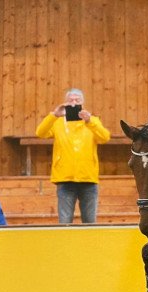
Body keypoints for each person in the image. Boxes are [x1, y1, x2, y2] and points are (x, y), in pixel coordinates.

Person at [36, 88, 111, 224]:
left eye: (77, 100)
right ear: (65, 103)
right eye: (70, 100)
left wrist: (90, 122)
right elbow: (40, 133)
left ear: (83, 103)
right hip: (65, 179)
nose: (74, 103)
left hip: (88, 179)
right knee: (64, 222)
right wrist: (54, 115)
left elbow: (104, 137)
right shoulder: (58, 122)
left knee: (90, 222)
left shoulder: (92, 121)